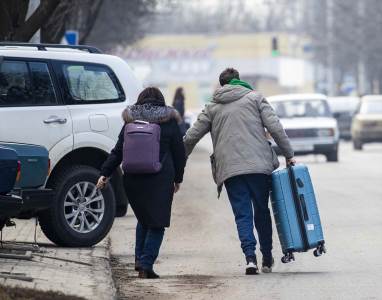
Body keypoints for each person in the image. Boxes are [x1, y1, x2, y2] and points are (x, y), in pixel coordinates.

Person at [183, 68, 295, 275]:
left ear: (221, 84)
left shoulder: (212, 107)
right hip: (259, 167)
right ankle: (267, 258)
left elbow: (190, 137)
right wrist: (288, 154)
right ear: (238, 81)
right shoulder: (255, 98)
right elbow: (276, 127)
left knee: (242, 214)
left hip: (230, 170)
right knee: (261, 211)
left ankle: (250, 258)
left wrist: (179, 162)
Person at [97, 87, 186, 279]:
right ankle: (146, 265)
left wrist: (105, 173)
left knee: (144, 218)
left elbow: (117, 151)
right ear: (161, 101)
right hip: (160, 178)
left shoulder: (131, 120)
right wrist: (178, 178)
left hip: (133, 179)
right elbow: (180, 153)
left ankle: (139, 259)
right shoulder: (169, 121)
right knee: (157, 223)